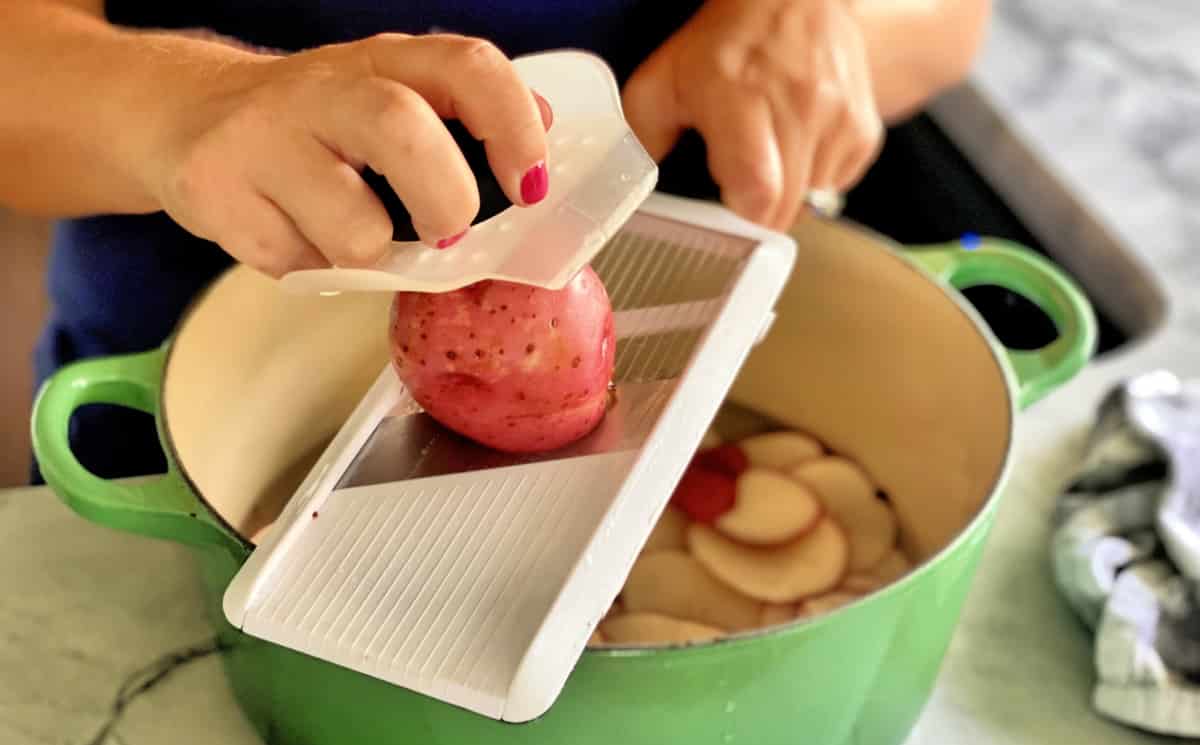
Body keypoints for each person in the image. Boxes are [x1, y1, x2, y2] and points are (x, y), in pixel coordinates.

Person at [0, 0, 992, 481]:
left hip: (703, 394)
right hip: (192, 423)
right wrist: (174, 106)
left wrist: (836, 19)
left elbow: (953, 19)